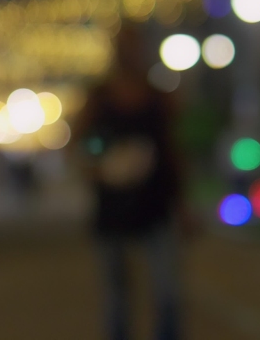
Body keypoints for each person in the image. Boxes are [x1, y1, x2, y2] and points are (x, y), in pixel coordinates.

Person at [72, 25, 190, 340]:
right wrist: (100, 166)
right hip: (112, 206)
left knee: (167, 292)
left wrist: (183, 205)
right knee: (117, 295)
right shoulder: (98, 97)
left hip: (155, 203)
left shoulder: (158, 96)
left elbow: (173, 150)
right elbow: (81, 145)